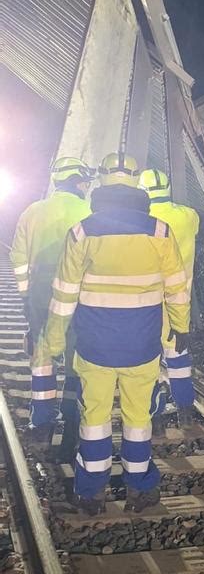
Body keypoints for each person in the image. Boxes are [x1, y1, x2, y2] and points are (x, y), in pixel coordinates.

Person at [42, 152, 191, 514]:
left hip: (94, 348)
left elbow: (63, 295)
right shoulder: (160, 231)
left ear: (102, 183)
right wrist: (181, 329)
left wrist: (55, 340)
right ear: (137, 182)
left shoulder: (82, 232)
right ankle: (140, 489)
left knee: (94, 419)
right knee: (138, 419)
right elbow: (177, 288)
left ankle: (91, 493)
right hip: (142, 346)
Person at [10, 157, 94, 447]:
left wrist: (25, 295)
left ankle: (41, 423)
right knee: (75, 360)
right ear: (79, 181)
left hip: (40, 297)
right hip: (79, 299)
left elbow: (18, 258)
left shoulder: (32, 211)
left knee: (43, 359)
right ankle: (71, 420)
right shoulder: (89, 210)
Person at [139, 168, 199, 422]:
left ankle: (155, 409)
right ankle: (185, 406)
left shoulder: (143, 219)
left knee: (149, 355)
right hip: (179, 298)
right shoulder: (189, 215)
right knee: (178, 354)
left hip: (150, 299)